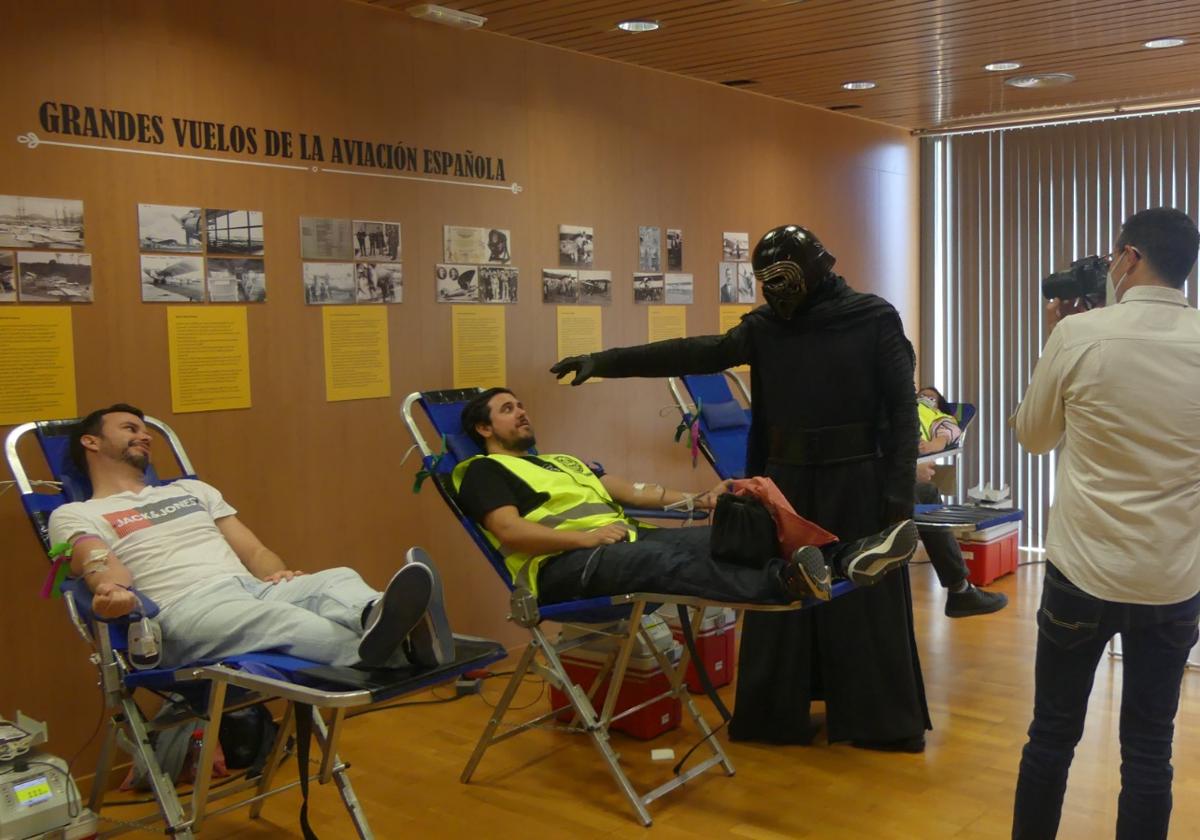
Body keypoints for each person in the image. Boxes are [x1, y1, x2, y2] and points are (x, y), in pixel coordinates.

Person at [551, 224, 930, 751]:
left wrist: (897, 494)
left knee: (862, 601)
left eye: (784, 277)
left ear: (815, 268)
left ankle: (881, 723)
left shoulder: (871, 317)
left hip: (857, 480)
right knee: (781, 594)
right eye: (765, 281)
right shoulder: (767, 327)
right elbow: (692, 352)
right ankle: (775, 717)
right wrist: (605, 362)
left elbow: (902, 412)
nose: (776, 291)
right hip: (788, 483)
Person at [1012, 207, 1200, 840]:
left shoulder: (1078, 335)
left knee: (1052, 735)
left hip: (1083, 573)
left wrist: (1053, 341)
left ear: (1127, 258)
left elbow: (1034, 437)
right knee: (1150, 748)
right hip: (1172, 580)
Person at [48, 404, 453, 671]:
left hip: (250, 590)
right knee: (283, 620)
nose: (145, 435)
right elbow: (96, 559)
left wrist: (278, 575)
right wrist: (110, 591)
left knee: (334, 579)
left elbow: (254, 550)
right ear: (91, 441)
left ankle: (375, 616)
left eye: (146, 429)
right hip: (184, 611)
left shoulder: (191, 491)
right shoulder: (75, 513)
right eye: (130, 428)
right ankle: (404, 648)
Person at [453, 388, 919, 606]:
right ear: (483, 428)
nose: (522, 412)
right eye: (508, 409)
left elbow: (632, 490)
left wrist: (701, 501)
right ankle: (786, 584)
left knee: (726, 535)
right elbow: (509, 531)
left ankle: (844, 559)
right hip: (561, 569)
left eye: (522, 403)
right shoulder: (480, 470)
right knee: (662, 564)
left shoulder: (562, 461)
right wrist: (585, 539)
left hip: (621, 542)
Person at [913, 387, 1008, 617]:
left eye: (931, 396)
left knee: (927, 492)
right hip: (892, 471)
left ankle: (960, 589)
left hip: (899, 465)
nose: (925, 397)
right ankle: (960, 590)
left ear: (939, 404)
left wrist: (934, 445)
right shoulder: (903, 406)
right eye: (921, 394)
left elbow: (948, 433)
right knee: (925, 492)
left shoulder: (938, 418)